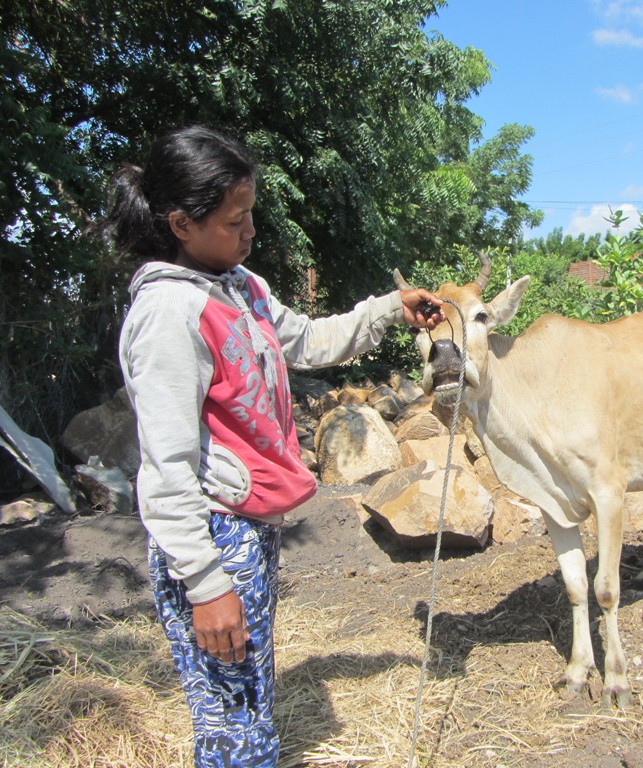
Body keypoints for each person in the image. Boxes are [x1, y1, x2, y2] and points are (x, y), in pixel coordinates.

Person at [103, 125, 443, 768]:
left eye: (251, 213)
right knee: (234, 725)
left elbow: (308, 340)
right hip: (211, 533)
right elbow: (166, 468)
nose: (251, 231)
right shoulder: (169, 316)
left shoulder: (241, 286)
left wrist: (388, 310)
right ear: (180, 223)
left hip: (251, 527)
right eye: (236, 221)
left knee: (249, 697)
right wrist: (205, 586)